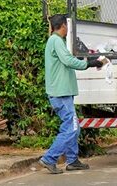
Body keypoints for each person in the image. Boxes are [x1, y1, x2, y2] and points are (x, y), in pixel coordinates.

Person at [39, 14, 103, 174]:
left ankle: (72, 160)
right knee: (71, 128)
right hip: (60, 93)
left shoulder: (54, 41)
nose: (68, 29)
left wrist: (89, 62)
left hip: (62, 92)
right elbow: (69, 61)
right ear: (62, 26)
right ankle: (49, 158)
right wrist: (89, 64)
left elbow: (67, 60)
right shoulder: (56, 41)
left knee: (73, 127)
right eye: (67, 26)